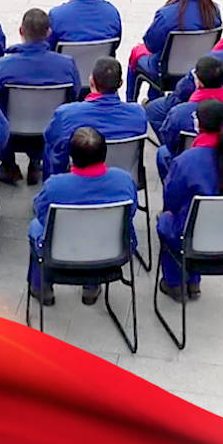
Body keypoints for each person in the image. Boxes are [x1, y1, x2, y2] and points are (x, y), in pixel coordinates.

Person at [27, 125, 138, 308]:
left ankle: (42, 288)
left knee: (35, 227)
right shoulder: (124, 180)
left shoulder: (55, 186)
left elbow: (41, 215)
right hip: (113, 250)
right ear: (105, 154)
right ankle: (91, 287)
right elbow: (131, 213)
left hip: (60, 251)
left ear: (71, 157)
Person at [156, 98, 223, 302]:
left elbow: (171, 201)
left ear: (198, 125)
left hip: (194, 237)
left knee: (165, 220)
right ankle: (193, 282)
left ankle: (175, 283)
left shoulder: (185, 161)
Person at [0, 10, 82, 185]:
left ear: (21, 31)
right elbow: (75, 95)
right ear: (49, 32)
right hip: (50, 132)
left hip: (11, 134)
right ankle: (36, 161)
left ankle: (9, 165)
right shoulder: (67, 65)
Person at [126, 0, 222, 100]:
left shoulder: (167, 14)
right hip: (198, 70)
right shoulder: (213, 12)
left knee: (138, 52)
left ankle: (131, 102)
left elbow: (151, 45)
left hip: (166, 73)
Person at [155, 56, 223, 180]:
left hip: (191, 167)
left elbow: (170, 142)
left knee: (163, 152)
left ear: (199, 83)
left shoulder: (179, 112)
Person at [42, 57, 148, 178]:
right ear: (120, 83)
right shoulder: (138, 114)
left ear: (91, 81)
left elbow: (52, 143)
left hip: (80, 181)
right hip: (123, 178)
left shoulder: (66, 114)